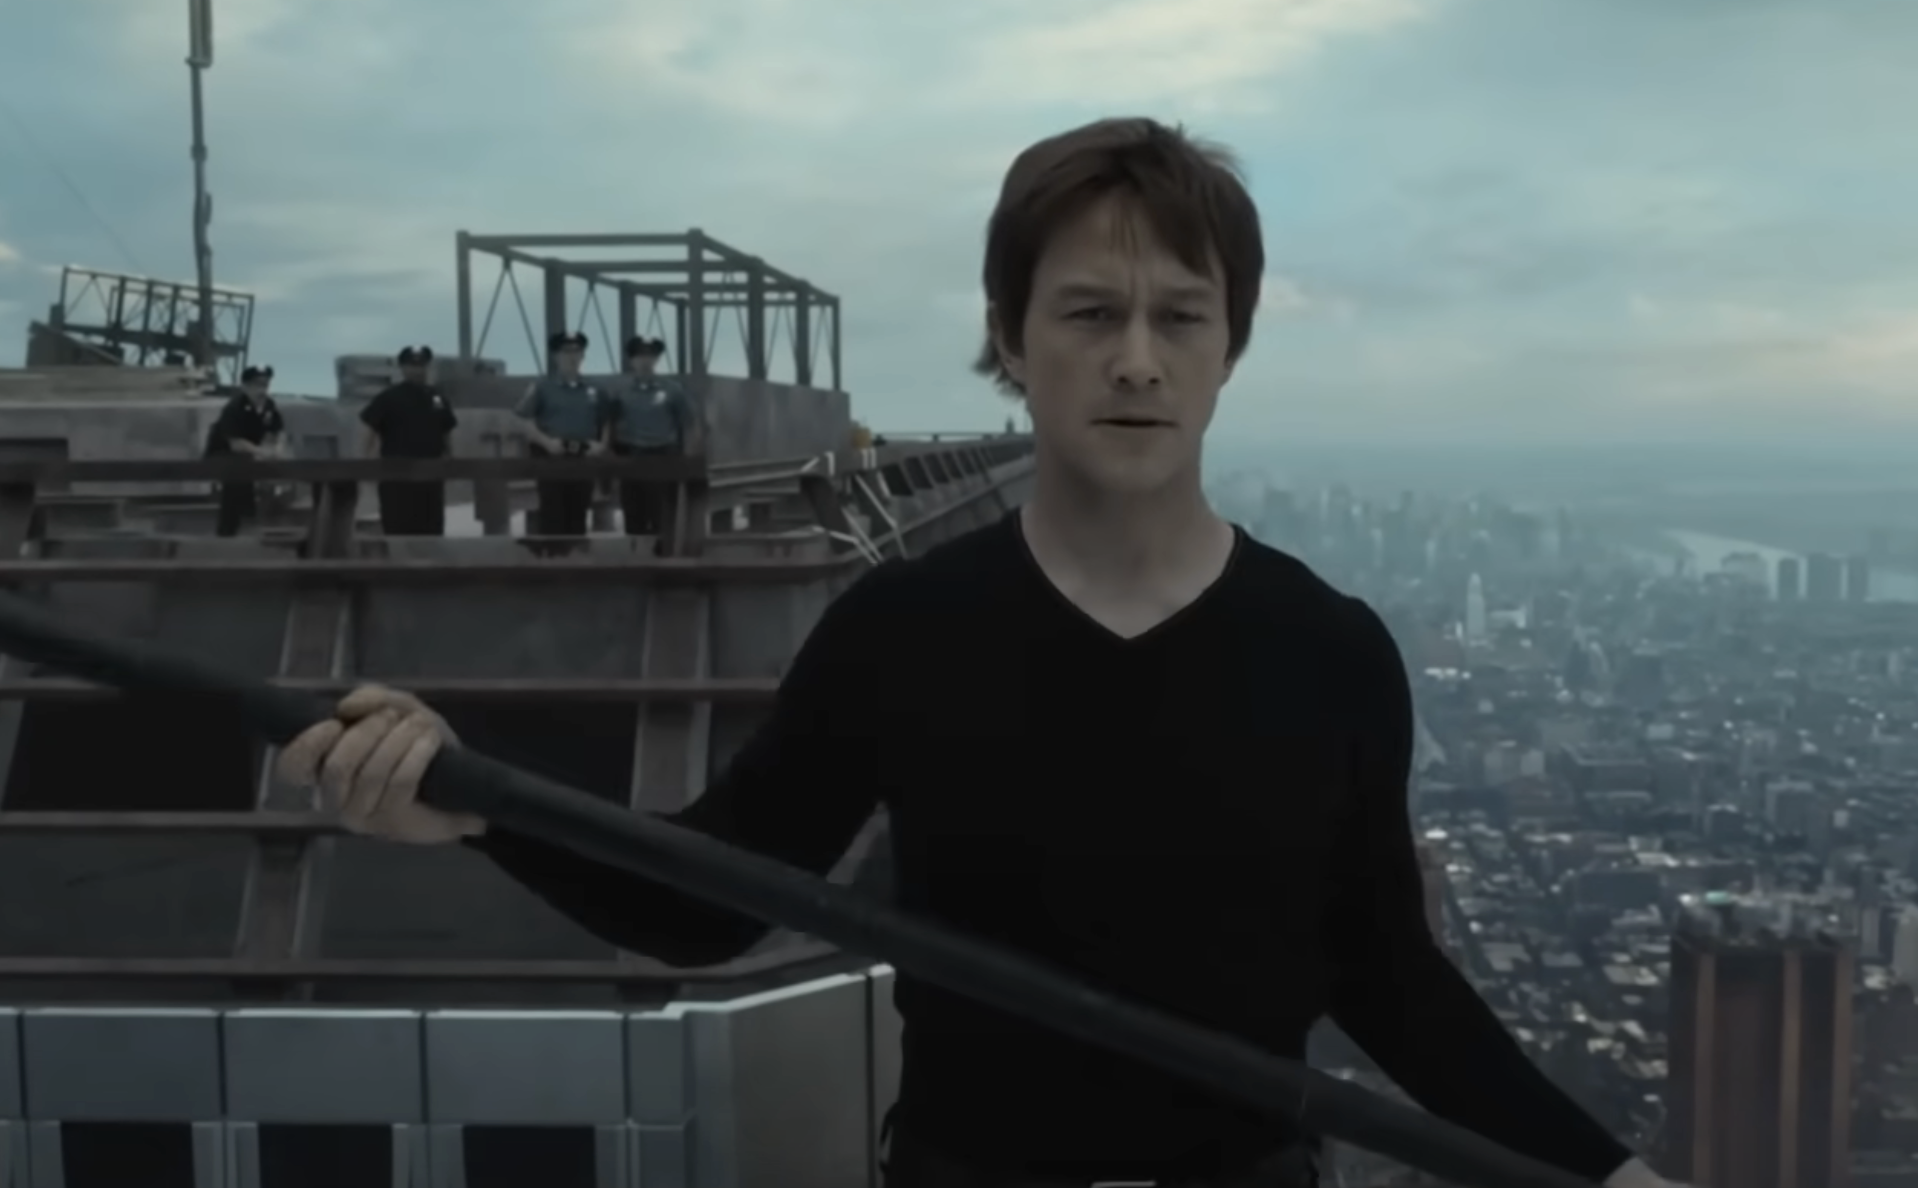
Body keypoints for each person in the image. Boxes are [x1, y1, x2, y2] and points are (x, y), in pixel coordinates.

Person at [276, 118, 1677, 1188]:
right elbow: (708, 894)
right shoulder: (908, 630)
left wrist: (1606, 1173)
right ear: (1010, 341)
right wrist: (471, 801)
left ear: (1230, 348)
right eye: (1089, 313)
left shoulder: (1332, 652)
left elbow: (1386, 979)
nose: (1138, 359)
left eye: (1180, 316)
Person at [510, 331, 613, 536]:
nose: (572, 357)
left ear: (583, 356)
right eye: (566, 352)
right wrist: (546, 442)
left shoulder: (595, 389)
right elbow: (522, 419)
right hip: (551, 457)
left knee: (579, 512)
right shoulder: (543, 387)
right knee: (552, 513)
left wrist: (601, 445)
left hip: (583, 458)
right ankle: (552, 562)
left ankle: (575, 561)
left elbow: (607, 420)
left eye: (577, 351)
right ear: (556, 356)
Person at [359, 345, 458, 536]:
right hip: (397, 476)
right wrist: (366, 462)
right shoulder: (389, 398)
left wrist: (451, 458)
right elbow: (369, 429)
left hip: (431, 475)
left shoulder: (437, 398)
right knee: (397, 527)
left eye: (422, 365)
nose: (417, 370)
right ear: (403, 368)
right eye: (412, 366)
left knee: (431, 527)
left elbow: (446, 430)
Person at [612, 336, 693, 544]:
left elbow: (689, 423)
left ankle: (663, 566)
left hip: (664, 457)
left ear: (656, 360)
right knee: (634, 517)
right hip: (632, 458)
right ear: (631, 360)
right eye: (640, 355)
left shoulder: (673, 390)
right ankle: (637, 565)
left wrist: (688, 458)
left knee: (663, 518)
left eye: (650, 355)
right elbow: (609, 424)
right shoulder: (621, 392)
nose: (645, 361)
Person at [203, 364, 286, 538]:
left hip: (249, 456)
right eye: (257, 385)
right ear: (245, 386)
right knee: (237, 475)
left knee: (260, 472)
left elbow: (278, 431)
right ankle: (229, 529)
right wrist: (261, 452)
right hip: (222, 455)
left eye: (265, 385)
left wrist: (277, 449)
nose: (262, 390)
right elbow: (235, 442)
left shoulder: (269, 406)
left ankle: (254, 520)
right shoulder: (235, 407)